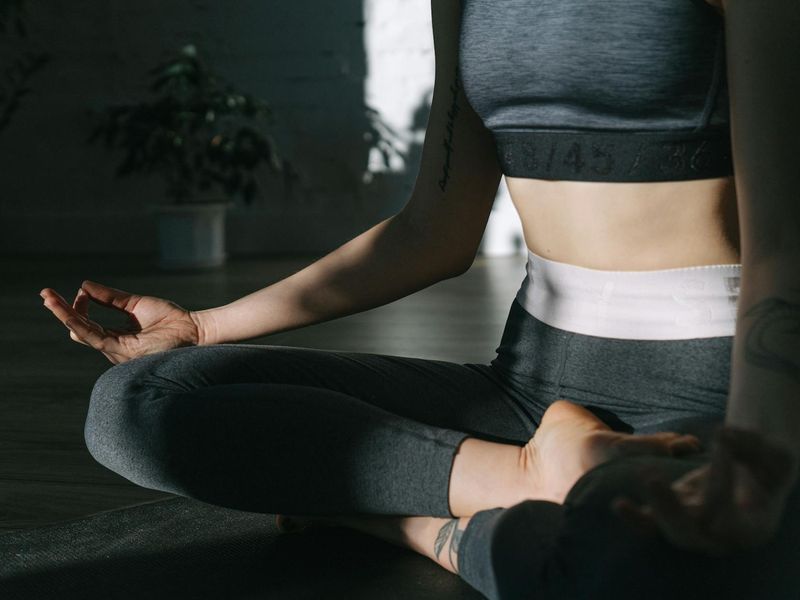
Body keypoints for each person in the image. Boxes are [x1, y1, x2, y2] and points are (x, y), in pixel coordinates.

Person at [41, 0, 800, 598]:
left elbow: (782, 243)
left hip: (703, 387)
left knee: (636, 555)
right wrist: (203, 326)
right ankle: (527, 480)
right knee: (135, 404)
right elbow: (434, 231)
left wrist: (758, 463)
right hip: (526, 387)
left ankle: (396, 519)